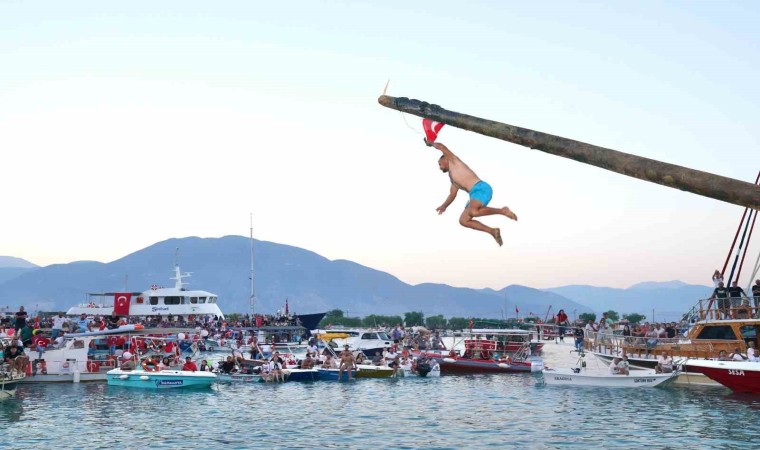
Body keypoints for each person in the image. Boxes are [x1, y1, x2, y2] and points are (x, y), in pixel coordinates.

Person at [427, 140, 517, 246]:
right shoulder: (453, 178)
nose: (439, 167)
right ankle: (492, 231)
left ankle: (503, 211)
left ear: (446, 159)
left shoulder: (454, 161)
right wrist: (444, 206)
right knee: (463, 220)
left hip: (481, 188)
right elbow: (452, 195)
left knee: (474, 211)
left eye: (440, 164)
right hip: (473, 194)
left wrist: (431, 143)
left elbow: (441, 147)